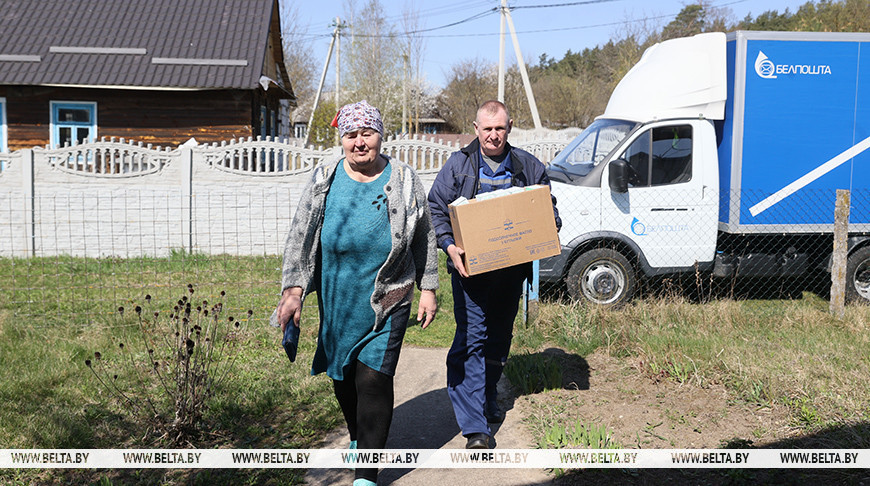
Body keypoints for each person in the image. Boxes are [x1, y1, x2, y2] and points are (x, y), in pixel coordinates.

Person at [273, 100, 439, 486]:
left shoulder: (404, 179)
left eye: (367, 133)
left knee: (373, 379)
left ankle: (366, 474)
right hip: (338, 296)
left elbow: (425, 234)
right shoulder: (325, 177)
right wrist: (294, 289)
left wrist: (428, 286)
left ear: (381, 135)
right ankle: (357, 434)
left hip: (390, 295)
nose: (360, 142)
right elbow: (301, 234)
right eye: (351, 134)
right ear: (342, 138)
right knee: (343, 375)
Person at [427, 100, 560, 450]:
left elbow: (549, 211)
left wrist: (543, 227)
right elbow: (436, 208)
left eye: (499, 128)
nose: (493, 135)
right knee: (472, 341)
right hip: (470, 274)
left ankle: (486, 396)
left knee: (499, 340)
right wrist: (448, 245)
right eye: (487, 129)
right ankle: (475, 428)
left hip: (510, 273)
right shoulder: (458, 166)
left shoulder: (529, 166)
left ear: (510, 127)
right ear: (476, 129)